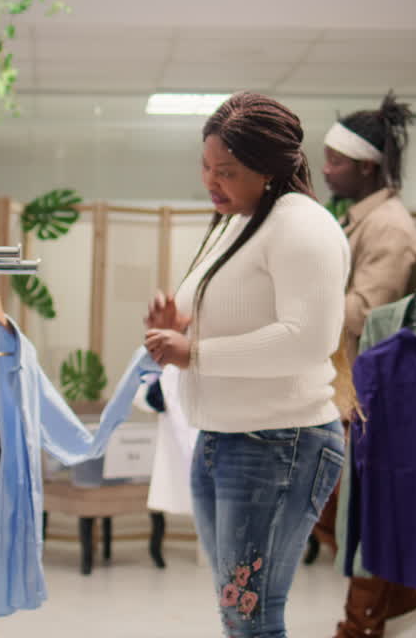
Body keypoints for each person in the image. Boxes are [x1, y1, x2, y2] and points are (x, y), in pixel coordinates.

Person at [143, 92, 350, 638]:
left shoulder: (302, 226)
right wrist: (179, 322)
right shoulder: (238, 220)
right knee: (239, 614)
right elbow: (233, 310)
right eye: (206, 167)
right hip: (224, 437)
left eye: (227, 171)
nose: (211, 182)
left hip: (279, 442)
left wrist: (195, 353)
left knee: (250, 617)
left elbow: (308, 340)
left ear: (268, 170)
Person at [319, 91, 416, 638]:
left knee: (359, 509)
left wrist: (301, 300)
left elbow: (367, 313)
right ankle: (396, 594)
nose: (325, 169)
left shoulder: (389, 227)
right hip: (353, 387)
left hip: (378, 393)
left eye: (335, 160)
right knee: (341, 506)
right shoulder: (362, 220)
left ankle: (361, 622)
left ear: (366, 166)